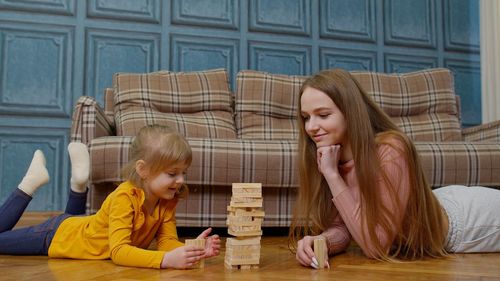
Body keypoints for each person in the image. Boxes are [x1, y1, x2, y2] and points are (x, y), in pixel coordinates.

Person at [289, 69, 500, 269]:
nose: (311, 127)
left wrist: (332, 175)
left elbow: (376, 246)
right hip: (437, 203)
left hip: (471, 223)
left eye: (323, 115)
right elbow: (344, 226)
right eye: (306, 117)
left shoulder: (391, 148)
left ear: (351, 113)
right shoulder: (329, 156)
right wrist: (322, 241)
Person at [0, 124, 221, 269]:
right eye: (172, 174)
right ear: (142, 170)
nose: (181, 180)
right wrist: (165, 260)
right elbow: (119, 251)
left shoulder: (167, 199)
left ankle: (78, 185)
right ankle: (28, 184)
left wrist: (192, 249)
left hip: (79, 228)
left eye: (184, 173)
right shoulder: (124, 197)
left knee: (77, 222)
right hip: (55, 235)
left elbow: (166, 241)